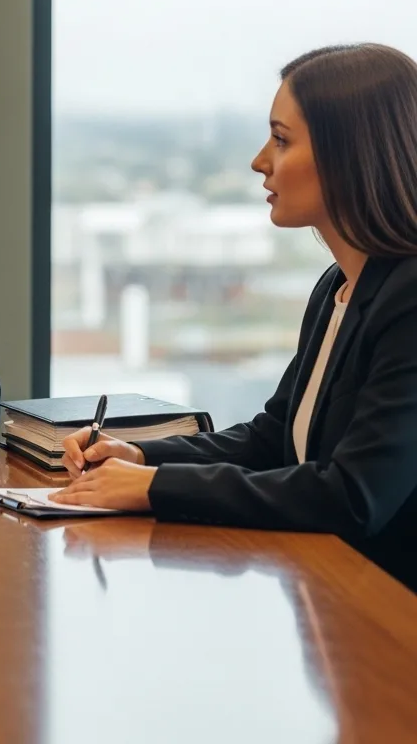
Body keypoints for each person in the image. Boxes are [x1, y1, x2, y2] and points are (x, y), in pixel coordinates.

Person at [53, 43, 417, 591]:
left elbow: (353, 495)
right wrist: (140, 456)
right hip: (332, 600)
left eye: (282, 139)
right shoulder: (339, 287)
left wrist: (151, 488)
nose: (259, 161)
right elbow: (274, 440)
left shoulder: (409, 300)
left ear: (350, 154)